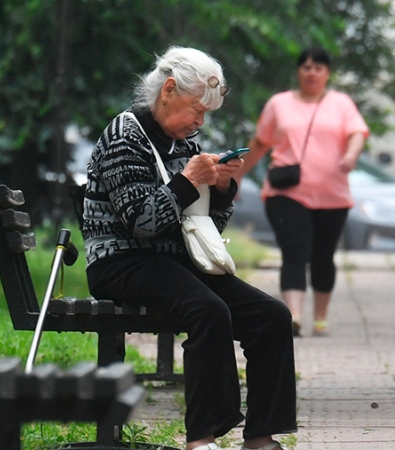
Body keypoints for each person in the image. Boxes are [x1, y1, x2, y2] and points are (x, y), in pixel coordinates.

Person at [83, 46, 296, 450]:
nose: (199, 121)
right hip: (121, 261)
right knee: (207, 309)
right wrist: (185, 181)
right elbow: (140, 223)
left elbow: (203, 231)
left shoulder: (185, 142)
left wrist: (220, 190)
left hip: (173, 261)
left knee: (272, 315)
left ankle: (261, 437)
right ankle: (201, 438)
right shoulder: (123, 136)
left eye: (205, 114)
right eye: (196, 109)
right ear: (167, 90)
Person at [237, 47, 369, 338]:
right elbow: (260, 142)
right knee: (294, 251)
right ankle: (294, 315)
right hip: (286, 193)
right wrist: (236, 177)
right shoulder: (279, 103)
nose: (312, 73)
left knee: (323, 256)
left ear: (327, 73)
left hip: (332, 195)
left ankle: (320, 317)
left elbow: (357, 132)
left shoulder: (341, 103)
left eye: (318, 68)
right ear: (298, 72)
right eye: (306, 67)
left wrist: (351, 155)